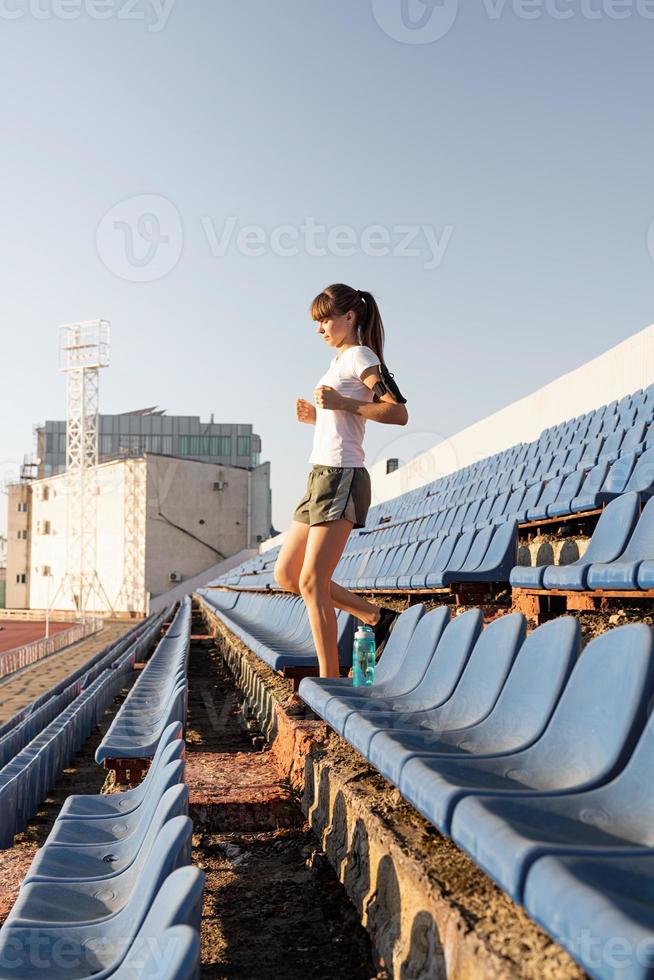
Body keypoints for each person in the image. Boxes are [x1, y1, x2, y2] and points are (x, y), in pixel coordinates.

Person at [274, 283, 409, 678]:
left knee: (313, 581)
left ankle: (329, 683)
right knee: (287, 576)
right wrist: (320, 418)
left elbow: (398, 412)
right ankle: (375, 616)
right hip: (318, 475)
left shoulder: (361, 356)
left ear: (349, 317)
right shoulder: (337, 362)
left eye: (325, 320)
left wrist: (342, 404)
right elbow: (347, 422)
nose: (320, 329)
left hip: (342, 477)